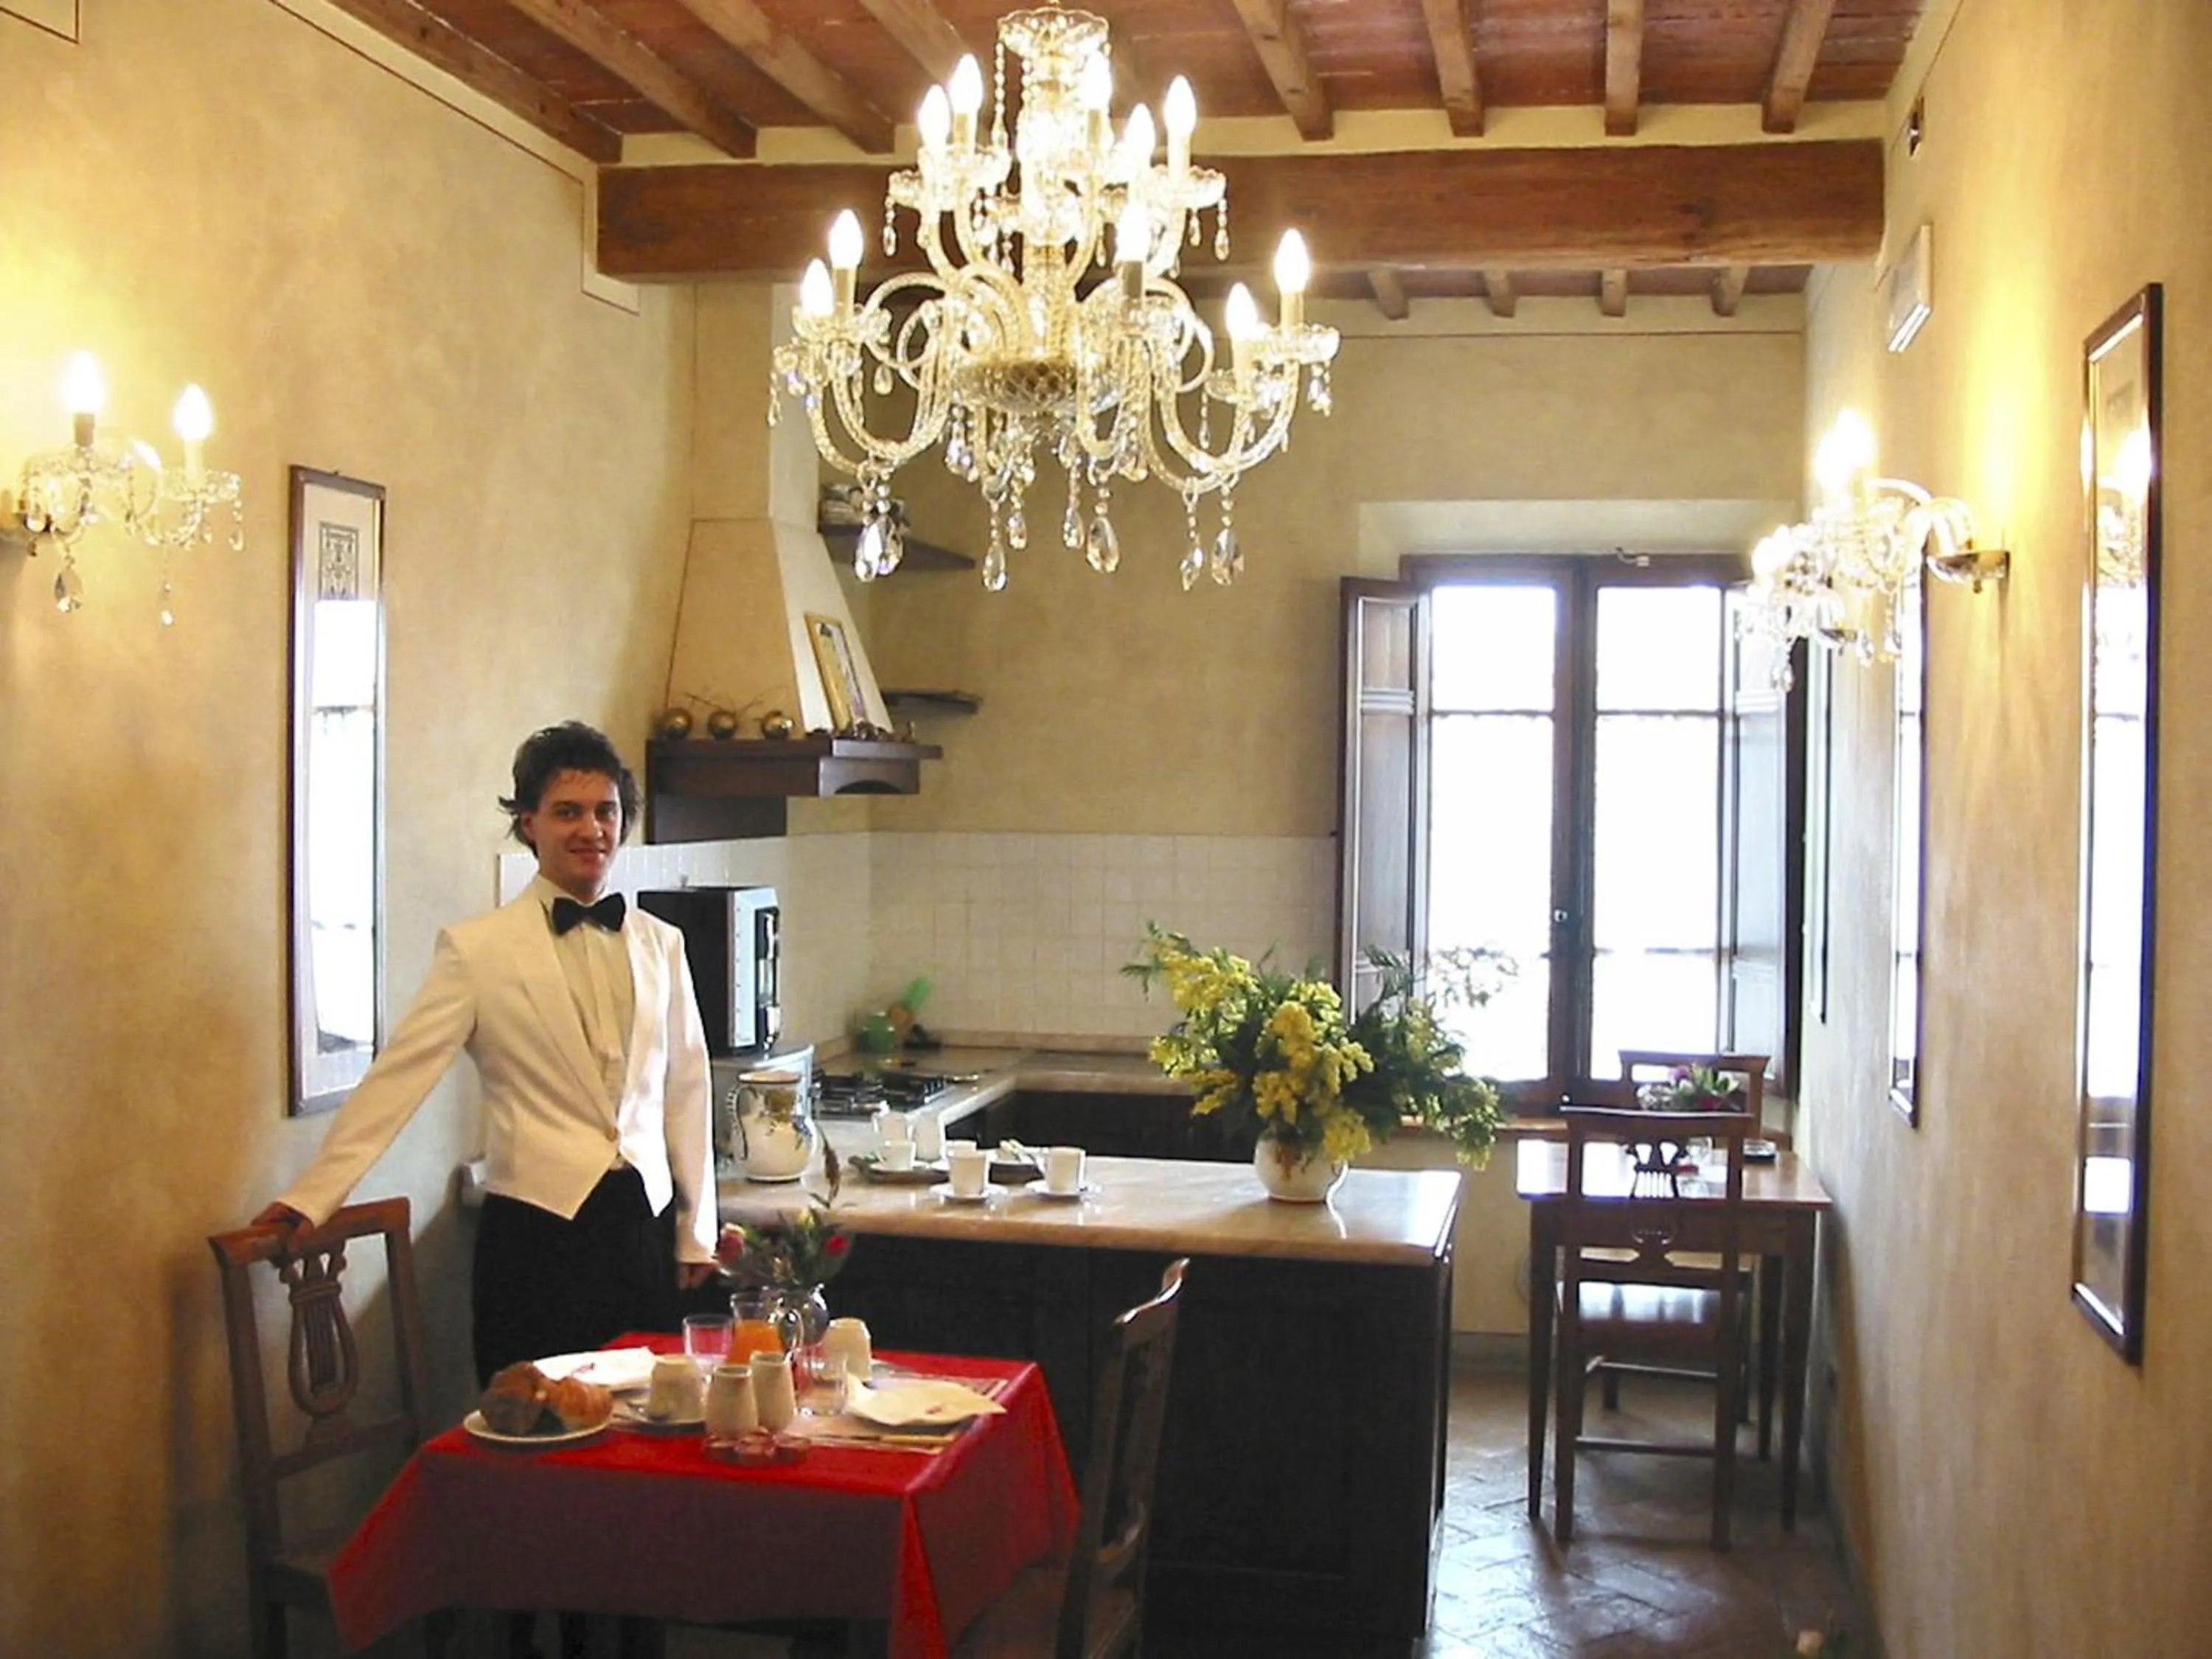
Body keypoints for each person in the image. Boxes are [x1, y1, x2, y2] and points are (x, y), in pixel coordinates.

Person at [255, 720, 717, 1385]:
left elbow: (688, 1090)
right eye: (568, 812)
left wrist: (696, 1225)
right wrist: (313, 1196)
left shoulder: (661, 944)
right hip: (535, 1235)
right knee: (534, 1441)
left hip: (639, 1231)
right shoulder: (477, 950)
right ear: (528, 823)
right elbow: (399, 1078)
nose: (591, 830)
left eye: (605, 811)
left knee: (648, 1433)